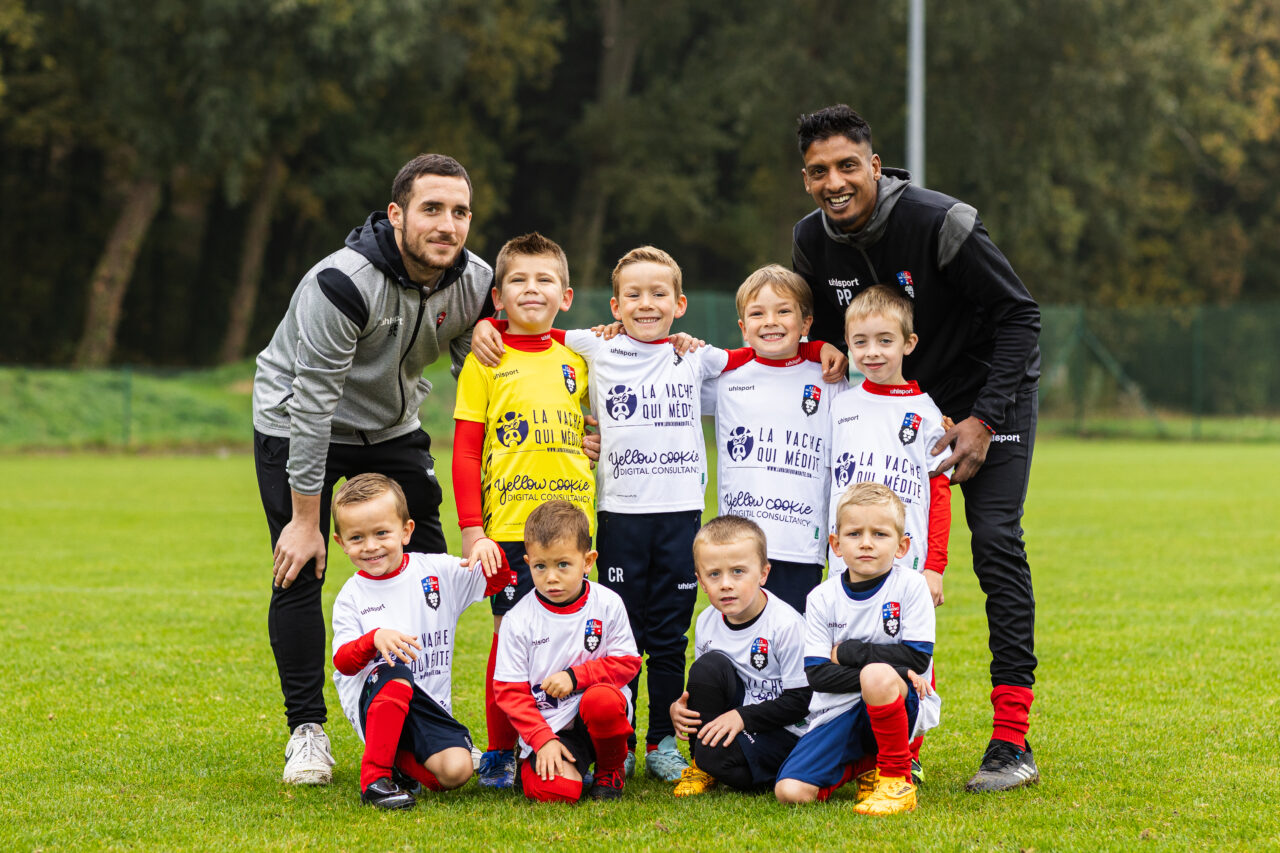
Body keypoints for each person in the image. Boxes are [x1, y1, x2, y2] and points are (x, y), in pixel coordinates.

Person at [792, 104, 1042, 791]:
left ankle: (1011, 739)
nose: (834, 182)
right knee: (876, 565)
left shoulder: (941, 222)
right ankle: (883, 732)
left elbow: (1022, 315)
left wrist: (983, 419)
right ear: (805, 177)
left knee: (993, 540)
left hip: (988, 399)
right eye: (819, 171)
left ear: (875, 164)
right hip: (891, 410)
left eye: (848, 165)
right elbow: (817, 328)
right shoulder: (811, 240)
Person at [252, 153, 495, 784]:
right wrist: (308, 519)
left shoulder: (475, 280)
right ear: (396, 215)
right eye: (431, 209)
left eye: (460, 212)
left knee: (436, 563)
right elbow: (313, 403)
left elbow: (483, 382)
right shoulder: (343, 283)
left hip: (390, 424)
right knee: (298, 563)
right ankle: (307, 731)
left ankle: (419, 704)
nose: (447, 225)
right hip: (298, 418)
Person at [451, 232, 593, 788]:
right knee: (508, 636)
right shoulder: (484, 359)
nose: (531, 289)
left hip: (575, 526)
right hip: (509, 529)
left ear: (566, 295)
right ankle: (499, 749)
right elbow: (464, 451)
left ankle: (582, 741)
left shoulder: (580, 356)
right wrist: (471, 530)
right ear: (498, 297)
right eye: (518, 280)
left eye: (544, 280)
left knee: (579, 635)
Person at [329, 474, 513, 809]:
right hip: (377, 702)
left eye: (381, 533)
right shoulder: (351, 596)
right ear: (341, 543)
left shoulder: (435, 572)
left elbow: (498, 580)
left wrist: (490, 547)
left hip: (428, 706)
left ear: (406, 530)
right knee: (396, 673)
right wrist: (373, 639)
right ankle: (375, 780)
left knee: (456, 771)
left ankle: (398, 762)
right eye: (357, 538)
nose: (370, 546)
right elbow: (342, 662)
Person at [774, 483, 940, 815]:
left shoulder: (911, 586)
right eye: (854, 534)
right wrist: (892, 669)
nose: (866, 543)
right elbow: (818, 675)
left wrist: (847, 653)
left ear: (902, 546)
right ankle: (866, 767)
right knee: (790, 792)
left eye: (879, 534)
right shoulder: (821, 597)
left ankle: (895, 779)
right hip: (836, 710)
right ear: (835, 544)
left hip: (896, 703)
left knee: (877, 676)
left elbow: (918, 657)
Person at [704, 265, 849, 613]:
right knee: (742, 639)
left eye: (783, 311)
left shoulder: (829, 378)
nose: (770, 321)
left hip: (801, 544)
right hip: (739, 545)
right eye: (757, 313)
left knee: (796, 644)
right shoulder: (726, 379)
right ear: (742, 327)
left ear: (806, 323)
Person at [492, 501, 642, 802]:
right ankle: (536, 762)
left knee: (602, 700)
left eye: (563, 565)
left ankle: (610, 770)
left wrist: (575, 677)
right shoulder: (517, 619)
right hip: (550, 724)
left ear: (587, 561)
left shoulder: (608, 603)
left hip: (597, 714)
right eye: (540, 566)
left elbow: (628, 663)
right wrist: (541, 739)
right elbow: (509, 691)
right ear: (527, 562)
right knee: (556, 792)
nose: (551, 577)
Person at [668, 516, 811, 796]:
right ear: (700, 580)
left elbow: (802, 702)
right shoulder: (707, 620)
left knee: (717, 758)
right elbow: (708, 686)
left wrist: (741, 717)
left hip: (788, 731)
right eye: (714, 574)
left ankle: (783, 769)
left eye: (737, 572)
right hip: (742, 720)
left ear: (763, 573)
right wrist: (680, 709)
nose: (725, 584)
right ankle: (701, 766)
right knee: (706, 668)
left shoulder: (786, 625)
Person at [829, 284, 951, 597]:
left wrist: (934, 567)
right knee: (843, 644)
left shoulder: (927, 413)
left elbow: (940, 495)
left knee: (901, 645)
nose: (872, 351)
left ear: (908, 343)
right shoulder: (839, 404)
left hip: (906, 563)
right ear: (848, 344)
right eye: (861, 341)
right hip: (846, 563)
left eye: (885, 340)